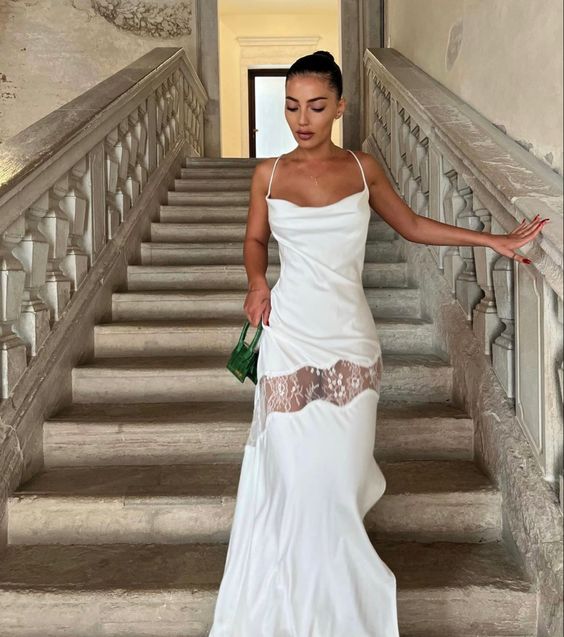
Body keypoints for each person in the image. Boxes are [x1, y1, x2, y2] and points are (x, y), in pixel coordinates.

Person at [209, 50, 548, 637]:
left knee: (340, 483)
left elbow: (411, 225)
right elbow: (255, 241)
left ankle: (343, 614)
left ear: (340, 107)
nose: (302, 119)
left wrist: (492, 241)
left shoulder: (363, 170)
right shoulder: (269, 174)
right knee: (297, 479)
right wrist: (257, 281)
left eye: (316, 106)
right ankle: (298, 607)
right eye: (292, 106)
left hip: (350, 340)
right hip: (290, 338)